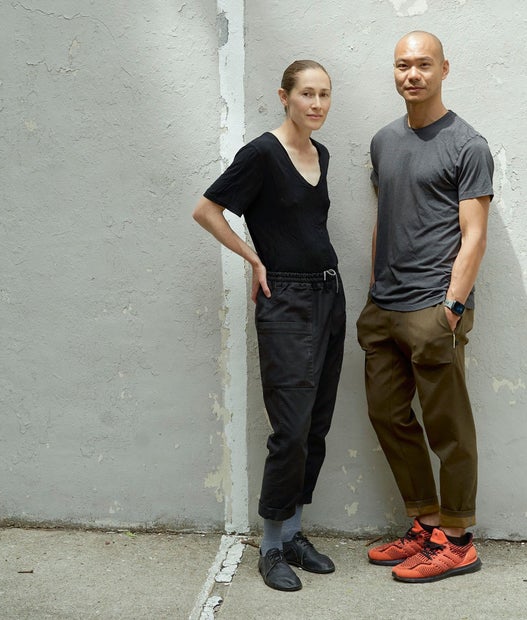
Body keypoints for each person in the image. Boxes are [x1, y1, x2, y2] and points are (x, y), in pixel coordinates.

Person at [193, 60, 346, 592]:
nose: (317, 104)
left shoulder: (321, 154)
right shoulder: (261, 154)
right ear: (285, 96)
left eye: (324, 94)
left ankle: (296, 533)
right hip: (286, 300)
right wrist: (254, 259)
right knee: (291, 429)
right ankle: (272, 545)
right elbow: (207, 210)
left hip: (329, 294)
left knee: (316, 424)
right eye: (307, 94)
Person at [356, 31, 494, 583]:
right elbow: (385, 215)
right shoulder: (383, 141)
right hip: (384, 306)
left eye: (423, 64)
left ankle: (458, 542)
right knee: (387, 415)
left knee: (448, 428)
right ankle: (426, 525)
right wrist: (374, 289)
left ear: (444, 69)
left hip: (434, 306)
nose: (412, 74)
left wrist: (451, 307)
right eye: (402, 65)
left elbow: (474, 234)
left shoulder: (467, 144)